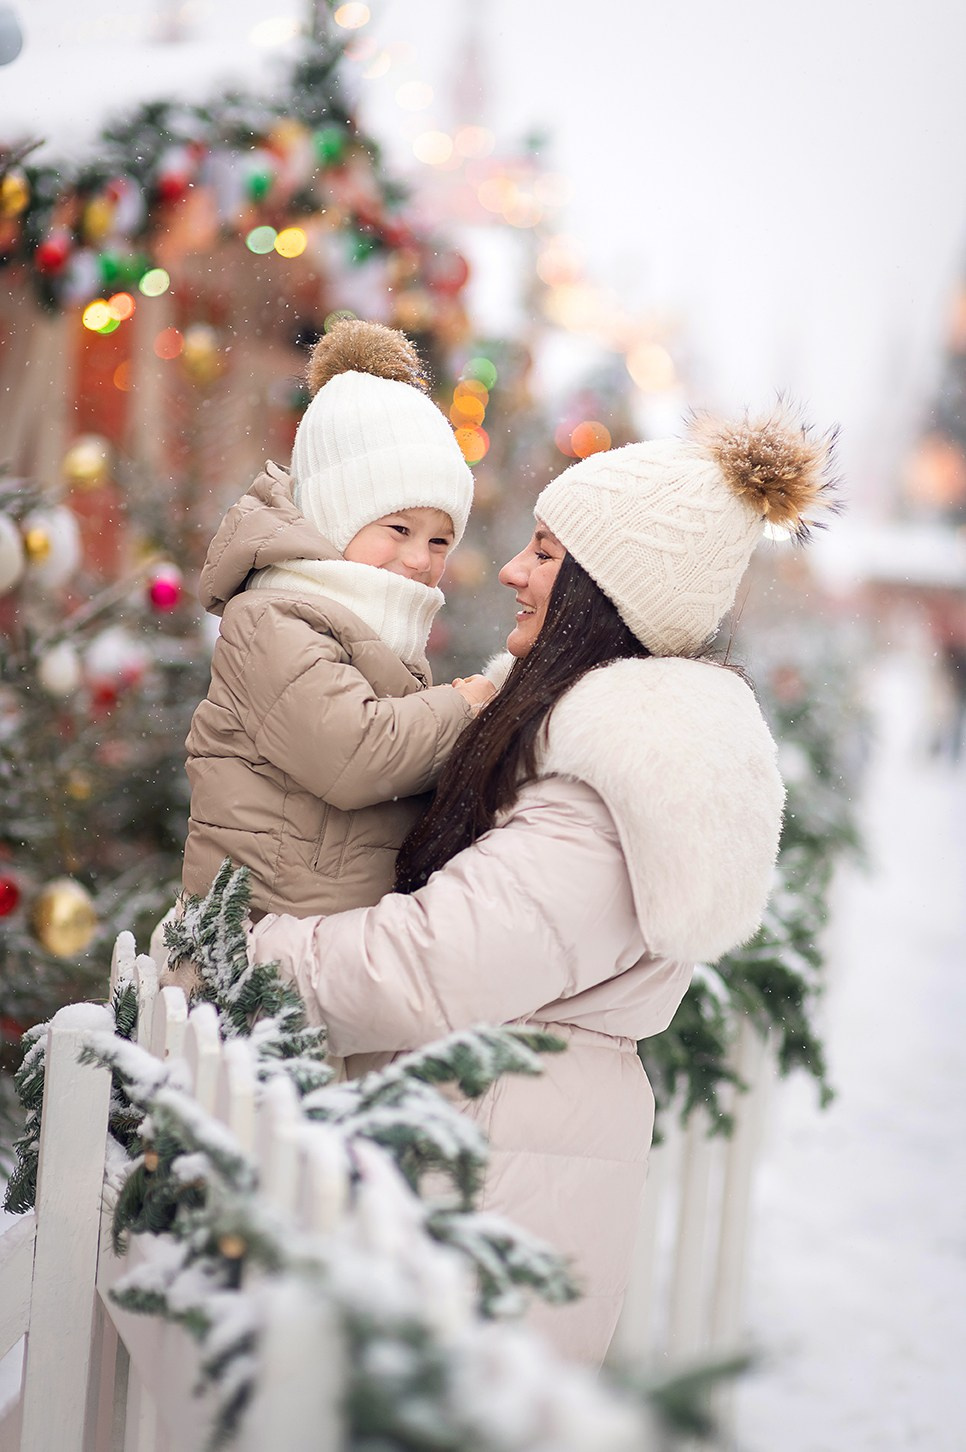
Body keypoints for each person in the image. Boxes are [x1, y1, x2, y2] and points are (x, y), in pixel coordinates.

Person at [249, 404, 838, 1364]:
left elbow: (426, 968)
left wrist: (241, 952)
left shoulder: (614, 791)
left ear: (606, 593)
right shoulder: (616, 751)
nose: (514, 572)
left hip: (487, 1206)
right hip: (499, 1175)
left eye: (546, 553)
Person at [181, 319, 494, 921]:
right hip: (251, 955)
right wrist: (466, 705)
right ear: (335, 513)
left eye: (440, 540)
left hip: (319, 949)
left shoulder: (375, 626)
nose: (419, 559)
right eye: (398, 529)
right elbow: (354, 755)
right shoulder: (273, 617)